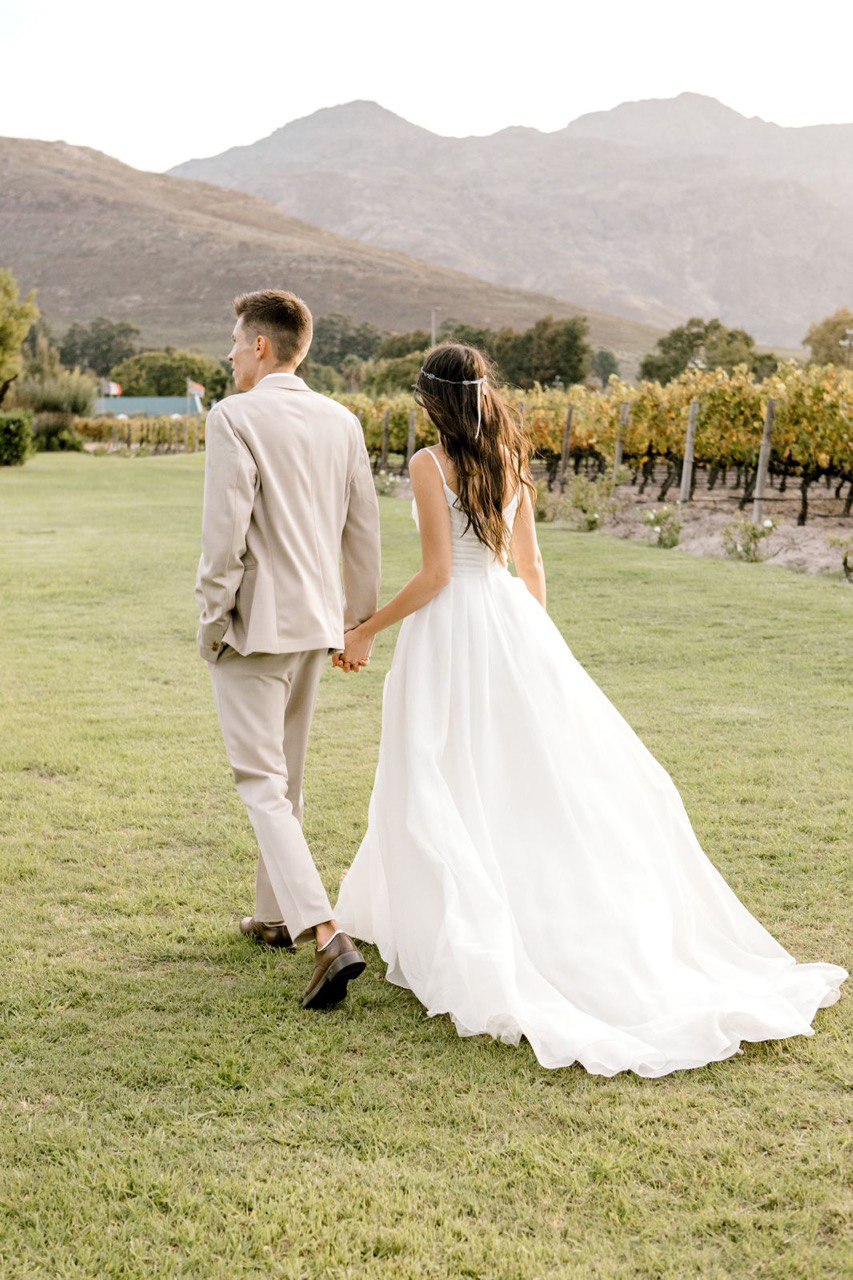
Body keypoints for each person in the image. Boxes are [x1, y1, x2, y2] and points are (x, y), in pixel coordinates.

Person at [332, 342, 847, 1078]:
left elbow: (440, 573)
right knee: (514, 772)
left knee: (436, 765)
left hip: (452, 630)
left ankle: (456, 914)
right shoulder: (509, 455)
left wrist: (365, 631)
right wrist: (534, 651)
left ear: (432, 400)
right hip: (510, 622)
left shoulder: (427, 463)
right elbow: (530, 567)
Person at [195, 289, 381, 1009]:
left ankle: (325, 931)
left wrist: (213, 621)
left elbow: (224, 537)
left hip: (253, 626)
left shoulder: (233, 416)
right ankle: (274, 918)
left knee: (259, 783)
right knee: (288, 779)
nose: (231, 354)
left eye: (236, 343)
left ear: (262, 347)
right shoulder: (342, 420)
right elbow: (361, 530)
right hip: (316, 626)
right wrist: (357, 622)